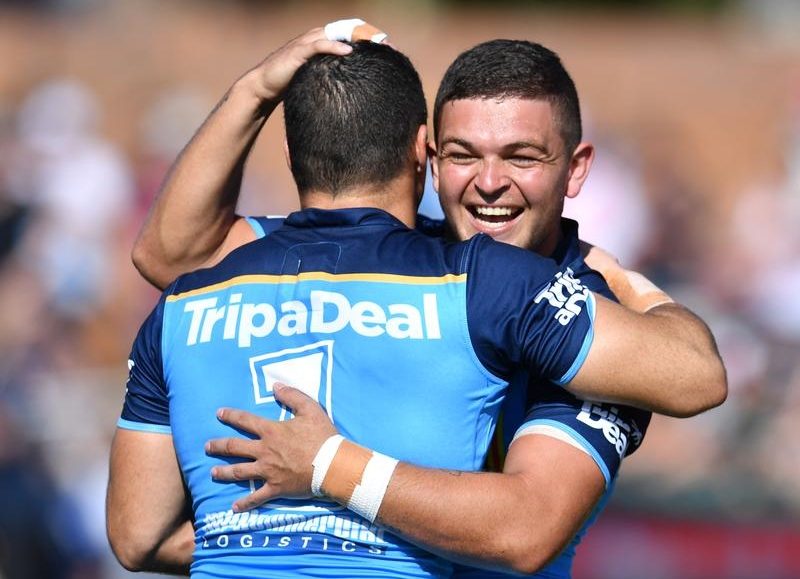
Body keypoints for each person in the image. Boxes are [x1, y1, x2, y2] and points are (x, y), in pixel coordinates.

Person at [108, 28, 726, 578]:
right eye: (462, 155)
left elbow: (529, 527)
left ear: (576, 168)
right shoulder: (417, 261)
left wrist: (624, 281)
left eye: (521, 157)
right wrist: (255, 88)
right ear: (426, 158)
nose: (489, 183)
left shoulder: (586, 307)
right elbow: (170, 254)